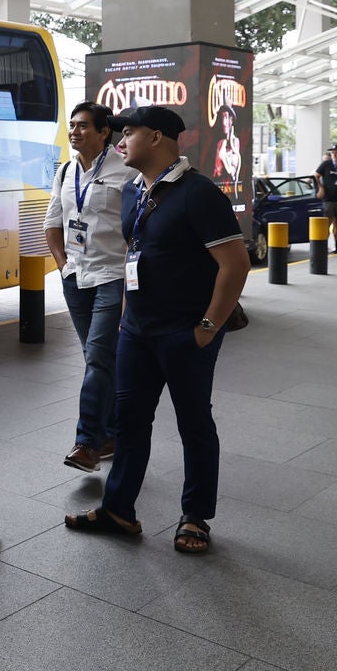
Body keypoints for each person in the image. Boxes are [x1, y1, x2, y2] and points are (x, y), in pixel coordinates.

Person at [65, 106, 251, 556]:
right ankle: (118, 509)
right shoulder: (134, 191)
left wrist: (208, 327)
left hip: (184, 332)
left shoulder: (199, 193)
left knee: (193, 423)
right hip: (137, 330)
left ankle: (195, 515)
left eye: (128, 133)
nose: (120, 141)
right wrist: (129, 311)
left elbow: (235, 264)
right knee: (129, 422)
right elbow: (135, 250)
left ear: (157, 138)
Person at [41, 103, 135, 474]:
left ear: (103, 132)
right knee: (95, 357)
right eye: (72, 125)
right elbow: (53, 223)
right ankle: (111, 434)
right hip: (76, 278)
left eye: (83, 126)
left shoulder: (125, 171)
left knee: (98, 356)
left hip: (112, 275)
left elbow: (137, 228)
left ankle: (87, 443)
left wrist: (131, 279)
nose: (75, 132)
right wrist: (63, 265)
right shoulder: (65, 171)